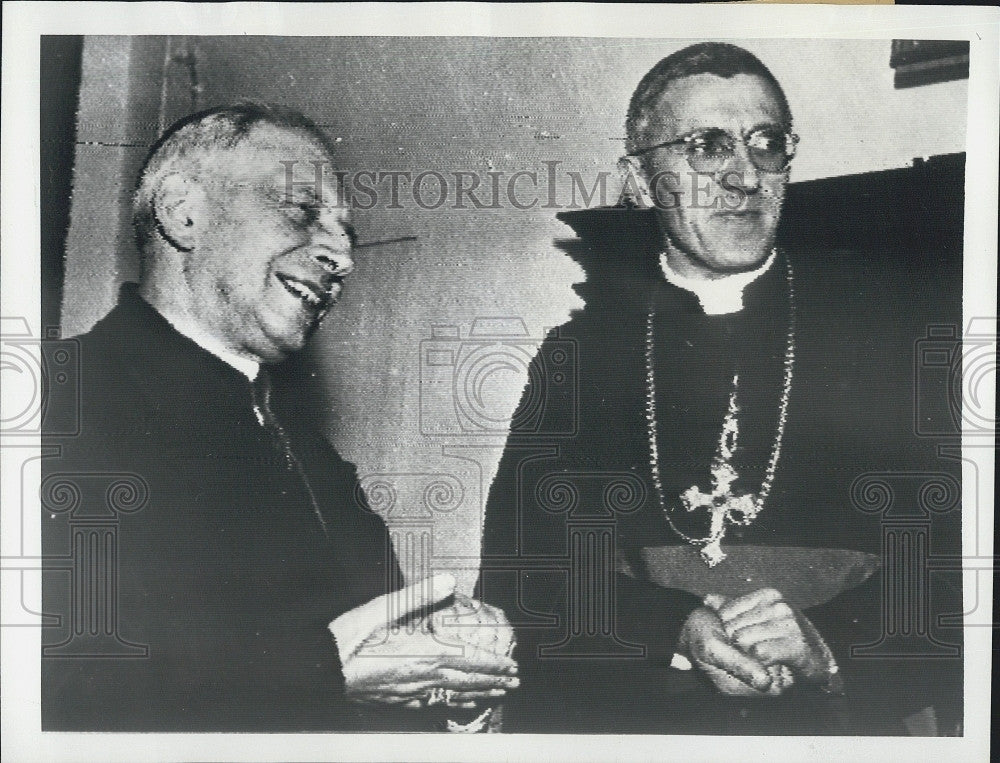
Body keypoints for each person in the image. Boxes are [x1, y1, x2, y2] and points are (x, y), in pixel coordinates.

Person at [478, 43, 962, 734]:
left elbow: (959, 564)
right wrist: (671, 627)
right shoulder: (578, 361)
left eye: (767, 144)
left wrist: (829, 643)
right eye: (706, 146)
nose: (744, 176)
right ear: (641, 182)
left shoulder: (894, 340)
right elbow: (523, 577)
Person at [41, 103, 517, 731]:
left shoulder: (310, 456)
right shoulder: (51, 402)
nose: (343, 256)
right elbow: (50, 688)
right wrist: (319, 671)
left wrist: (449, 680)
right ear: (184, 212)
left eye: (346, 232)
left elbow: (374, 667)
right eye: (302, 211)